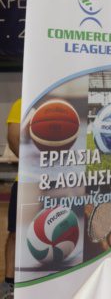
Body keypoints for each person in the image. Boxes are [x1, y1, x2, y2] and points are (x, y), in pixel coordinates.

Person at [1, 99, 20, 299]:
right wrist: (34, 164)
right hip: (26, 181)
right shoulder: (21, 103)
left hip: (58, 182)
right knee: (15, 233)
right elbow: (14, 139)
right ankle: (9, 282)